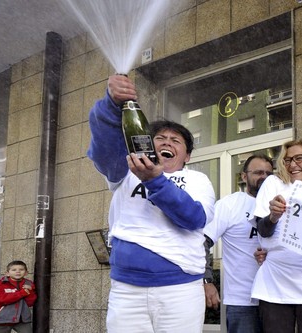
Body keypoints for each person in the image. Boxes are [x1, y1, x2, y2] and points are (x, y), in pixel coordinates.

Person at [88, 74, 215, 333]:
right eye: (159, 139)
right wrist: (110, 105)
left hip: (180, 290)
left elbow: (194, 218)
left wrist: (156, 181)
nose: (167, 142)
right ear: (146, 144)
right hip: (126, 289)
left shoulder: (197, 179)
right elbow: (103, 149)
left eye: (176, 140)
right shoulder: (125, 171)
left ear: (187, 155)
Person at [253, 138, 302, 333]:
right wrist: (273, 217)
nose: (292, 164)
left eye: (299, 158)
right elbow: (262, 230)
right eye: (287, 160)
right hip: (275, 283)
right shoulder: (274, 183)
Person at [203, 154, 274, 333]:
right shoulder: (230, 205)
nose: (264, 177)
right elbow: (202, 242)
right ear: (243, 177)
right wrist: (206, 280)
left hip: (278, 298)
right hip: (243, 301)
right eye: (258, 172)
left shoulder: (279, 206)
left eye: (268, 173)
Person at [0, 260, 37, 333]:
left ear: (26, 272)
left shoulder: (29, 284)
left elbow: (30, 303)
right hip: (2, 319)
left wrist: (30, 293)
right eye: (14, 270)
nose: (18, 272)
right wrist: (21, 293)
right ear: (7, 273)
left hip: (22, 319)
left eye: (21, 269)